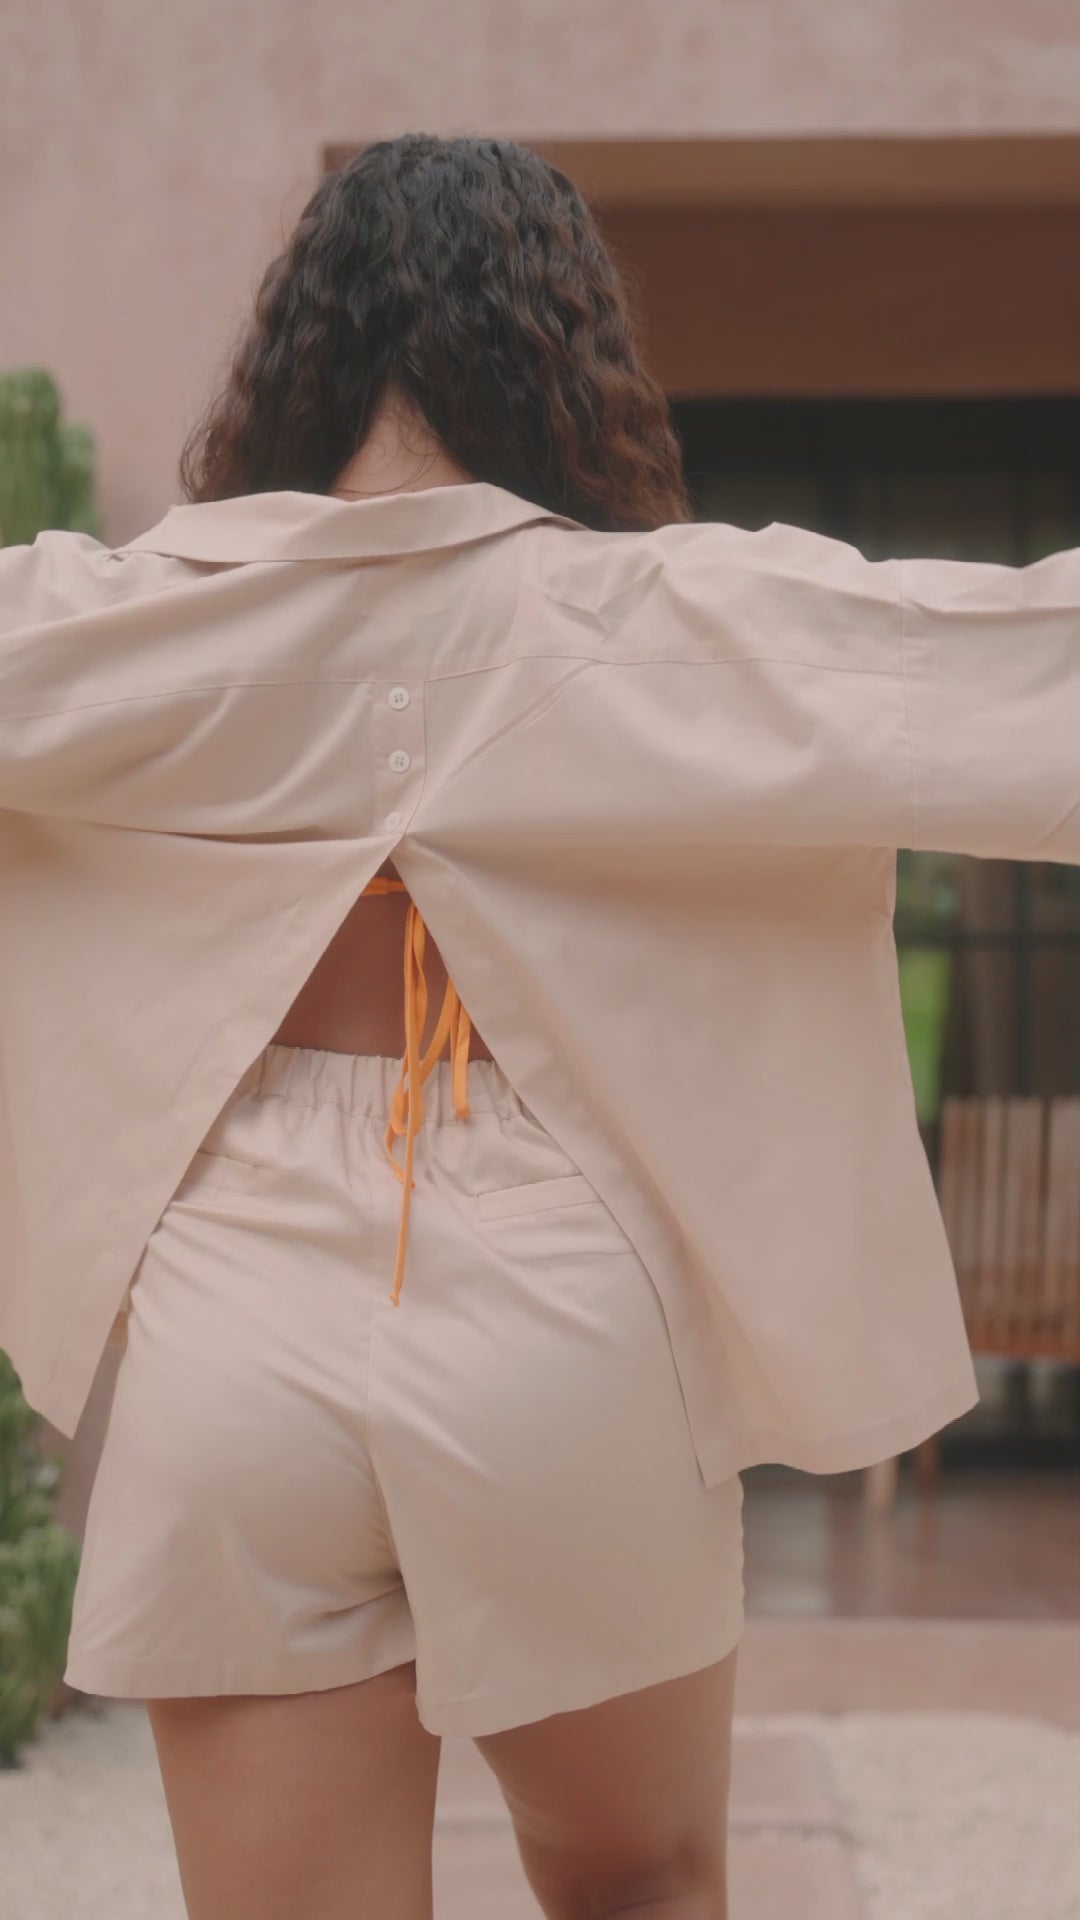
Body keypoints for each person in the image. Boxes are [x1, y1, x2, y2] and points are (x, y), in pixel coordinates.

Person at [2, 134, 1077, 1920]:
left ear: (303, 353)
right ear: (560, 348)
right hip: (561, 1300)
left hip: (230, 1314)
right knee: (638, 1880)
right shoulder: (675, 618)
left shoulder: (121, 620)